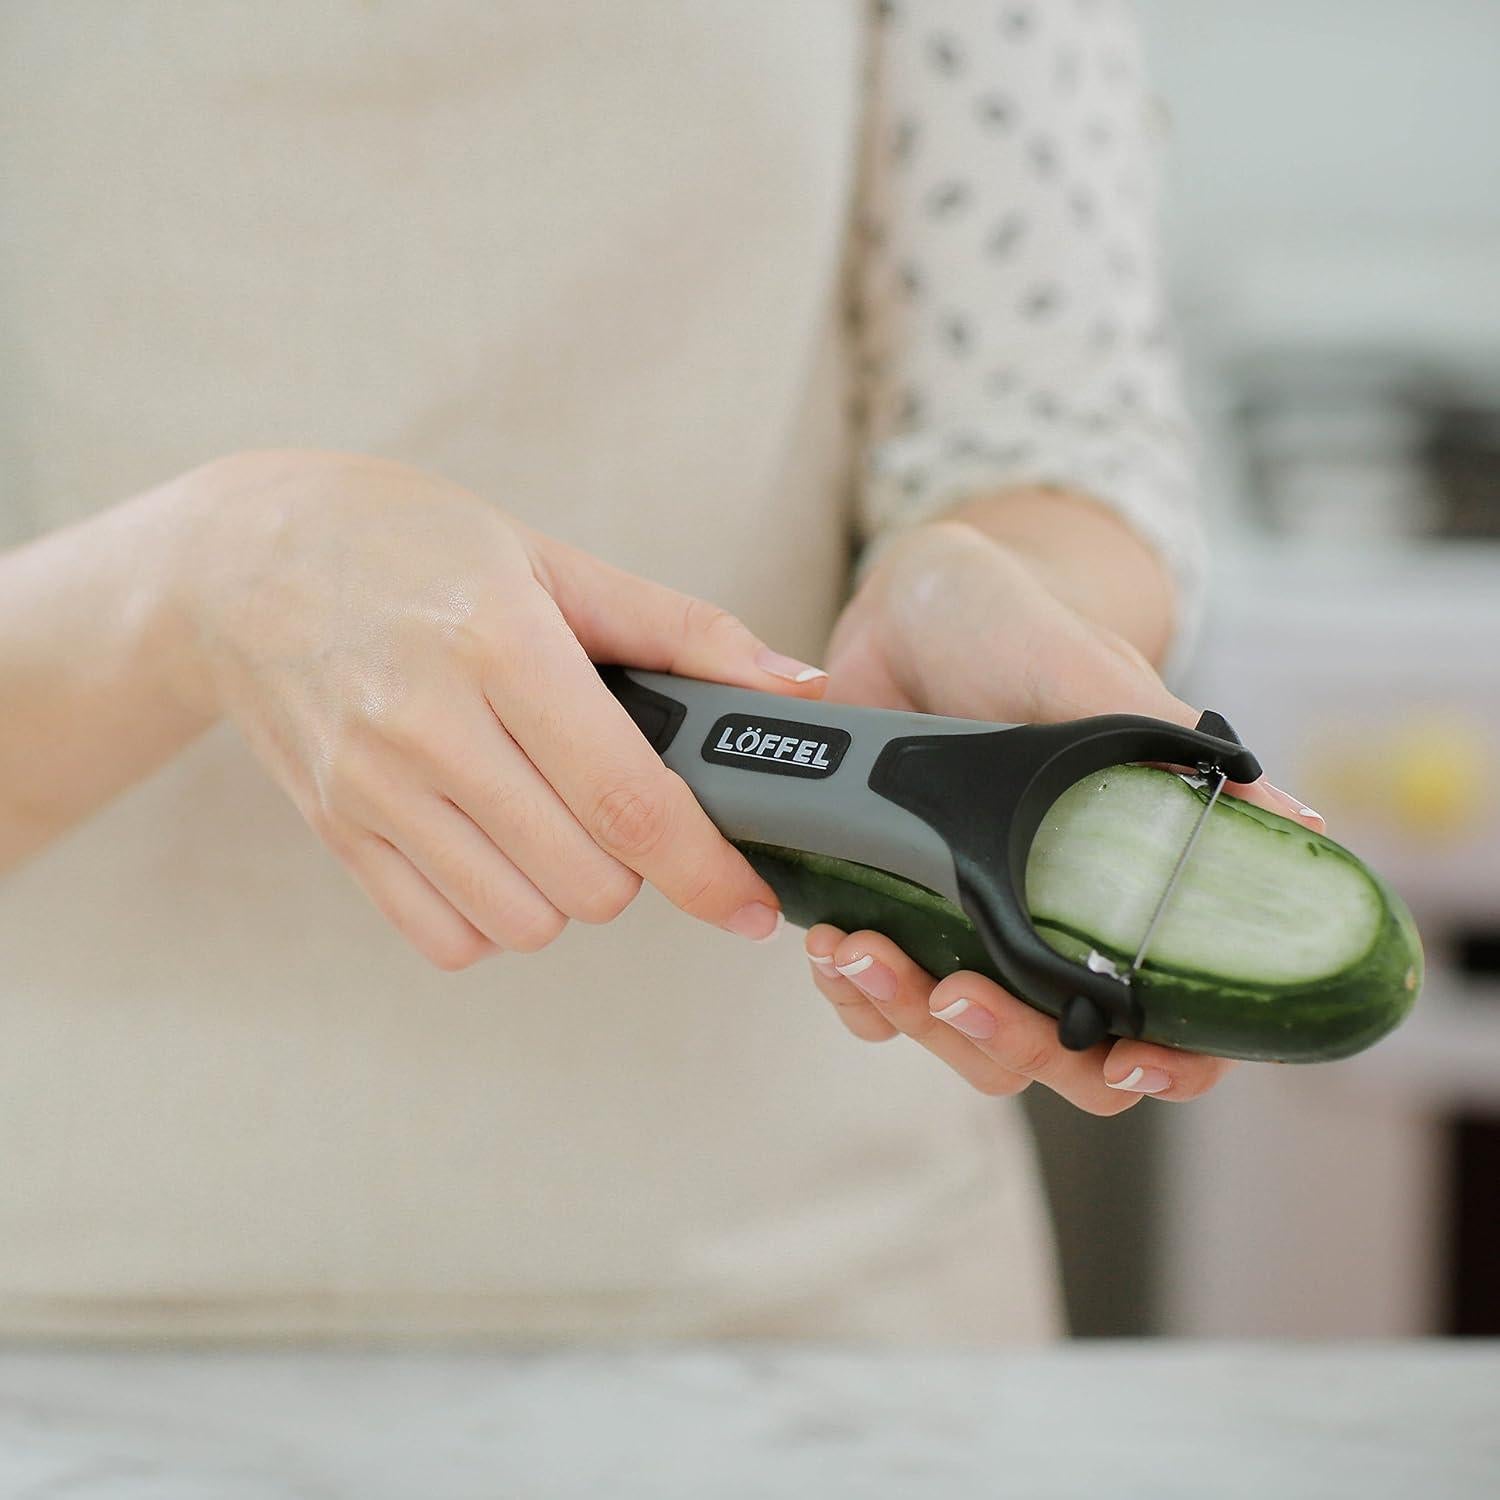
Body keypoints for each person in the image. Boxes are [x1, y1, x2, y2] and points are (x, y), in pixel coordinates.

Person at [0, 1, 1319, 1344]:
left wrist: (986, 578)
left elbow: (1057, 429)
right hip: (75, 1320)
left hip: (822, 1303)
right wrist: (200, 575)